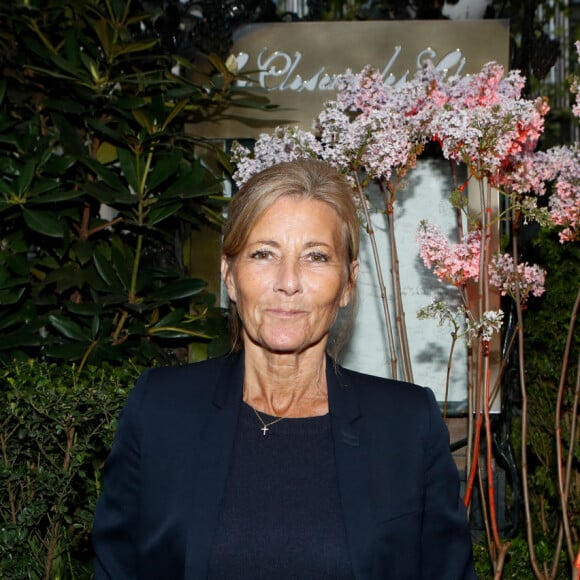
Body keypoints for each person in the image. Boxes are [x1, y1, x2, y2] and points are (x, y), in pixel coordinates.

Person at [92, 159, 476, 579]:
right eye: (263, 254)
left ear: (348, 283)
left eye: (315, 256)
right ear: (230, 276)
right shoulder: (161, 410)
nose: (288, 281)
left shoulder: (406, 425)